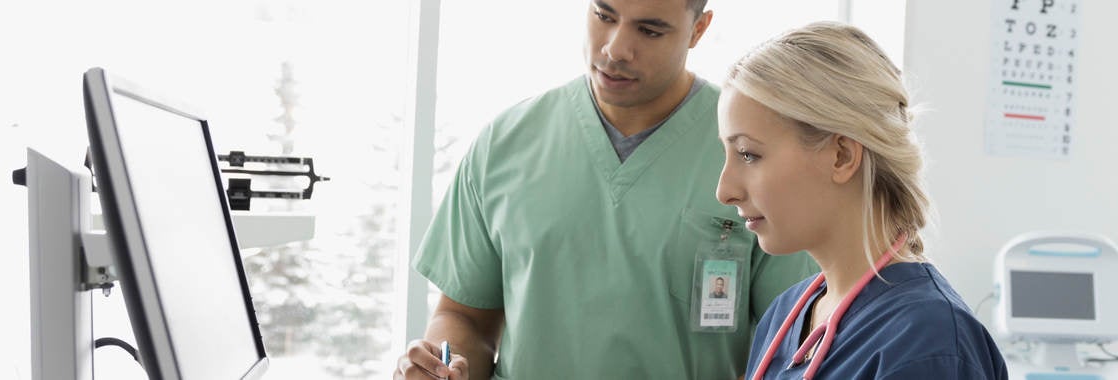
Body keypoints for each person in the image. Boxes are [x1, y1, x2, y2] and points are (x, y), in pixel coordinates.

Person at [395, 0, 818, 378]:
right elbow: (465, 316)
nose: (616, 49)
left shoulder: (751, 152)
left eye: (649, 30)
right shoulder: (505, 144)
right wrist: (441, 368)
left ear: (698, 29)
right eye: (603, 15)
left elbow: (796, 341)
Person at [717, 22, 1008, 379]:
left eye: (748, 154)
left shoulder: (928, 342)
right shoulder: (783, 316)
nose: (724, 190)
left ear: (841, 156)